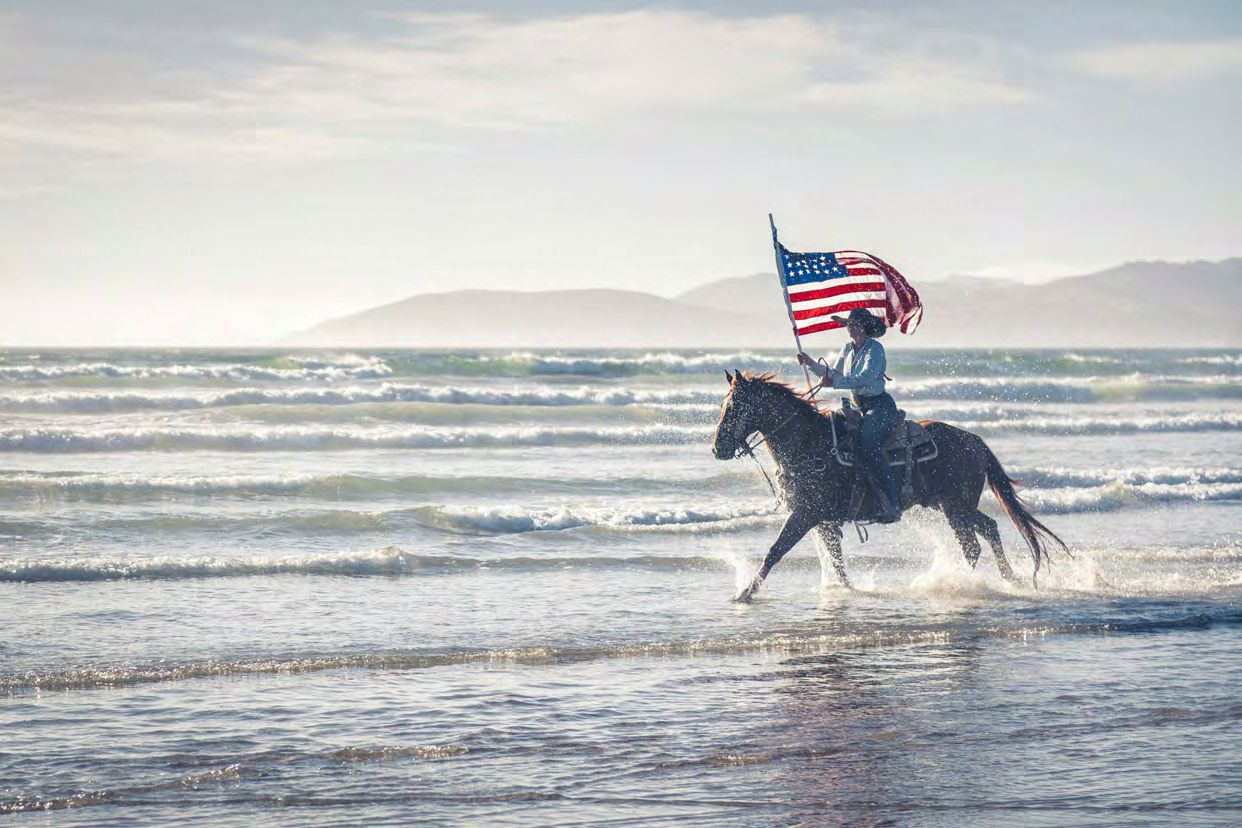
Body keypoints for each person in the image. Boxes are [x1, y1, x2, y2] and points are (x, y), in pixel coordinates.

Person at [797, 308, 901, 523]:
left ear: (865, 328)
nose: (850, 328)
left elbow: (864, 378)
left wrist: (834, 383)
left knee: (868, 442)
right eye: (849, 324)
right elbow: (834, 374)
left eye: (855, 324)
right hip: (858, 405)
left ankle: (892, 503)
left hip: (879, 406)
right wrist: (810, 363)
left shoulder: (875, 349)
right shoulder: (847, 348)